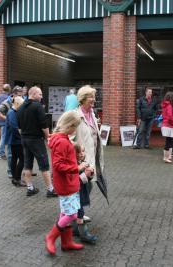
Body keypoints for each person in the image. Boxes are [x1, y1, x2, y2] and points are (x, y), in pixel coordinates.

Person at [45, 110, 85, 255]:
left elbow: (65, 159)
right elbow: (58, 165)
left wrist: (77, 156)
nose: (75, 130)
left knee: (66, 212)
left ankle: (66, 243)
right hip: (66, 183)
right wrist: (77, 168)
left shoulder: (63, 139)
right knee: (72, 215)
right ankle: (50, 237)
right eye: (75, 127)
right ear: (69, 126)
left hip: (68, 182)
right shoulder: (62, 141)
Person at [74, 85, 106, 234]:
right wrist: (77, 157)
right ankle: (76, 221)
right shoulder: (75, 116)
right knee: (80, 190)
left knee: (88, 187)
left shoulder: (92, 114)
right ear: (82, 99)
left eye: (94, 96)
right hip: (81, 162)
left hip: (93, 161)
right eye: (90, 97)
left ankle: (77, 215)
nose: (93, 99)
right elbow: (67, 138)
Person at [17, 86, 57, 197]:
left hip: (24, 139)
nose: (41, 96)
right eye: (40, 94)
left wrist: (25, 135)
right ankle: (50, 190)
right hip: (36, 140)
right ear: (33, 94)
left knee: (27, 164)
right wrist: (48, 137)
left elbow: (19, 127)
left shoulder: (20, 108)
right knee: (44, 165)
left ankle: (30, 188)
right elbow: (44, 125)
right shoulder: (37, 106)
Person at [0, 86, 24, 178]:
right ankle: (10, 171)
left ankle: (18, 170)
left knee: (17, 153)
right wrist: (8, 119)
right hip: (9, 128)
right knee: (11, 152)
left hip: (17, 128)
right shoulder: (7, 102)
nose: (21, 96)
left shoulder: (20, 101)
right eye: (19, 94)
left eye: (22, 94)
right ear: (14, 94)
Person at [73, 143, 97, 244]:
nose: (82, 154)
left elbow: (85, 179)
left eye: (83, 151)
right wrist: (85, 175)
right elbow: (75, 181)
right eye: (79, 152)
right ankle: (84, 234)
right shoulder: (75, 165)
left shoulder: (82, 163)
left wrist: (90, 174)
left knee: (76, 213)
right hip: (76, 194)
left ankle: (75, 230)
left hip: (80, 193)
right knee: (80, 213)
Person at [6, 96, 26, 187]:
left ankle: (15, 178)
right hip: (16, 140)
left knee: (14, 158)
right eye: (21, 105)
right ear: (17, 104)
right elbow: (15, 128)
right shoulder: (12, 113)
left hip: (14, 140)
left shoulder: (14, 112)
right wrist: (22, 137)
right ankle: (17, 178)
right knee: (22, 159)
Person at [0, 84, 11, 160]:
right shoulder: (8, 97)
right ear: (9, 89)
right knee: (4, 137)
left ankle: (1, 152)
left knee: (3, 136)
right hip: (5, 119)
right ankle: (1, 153)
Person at [161, 91, 173, 163]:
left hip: (165, 125)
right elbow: (170, 117)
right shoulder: (169, 106)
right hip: (169, 125)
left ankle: (167, 157)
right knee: (169, 142)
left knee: (168, 141)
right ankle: (166, 157)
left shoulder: (165, 105)